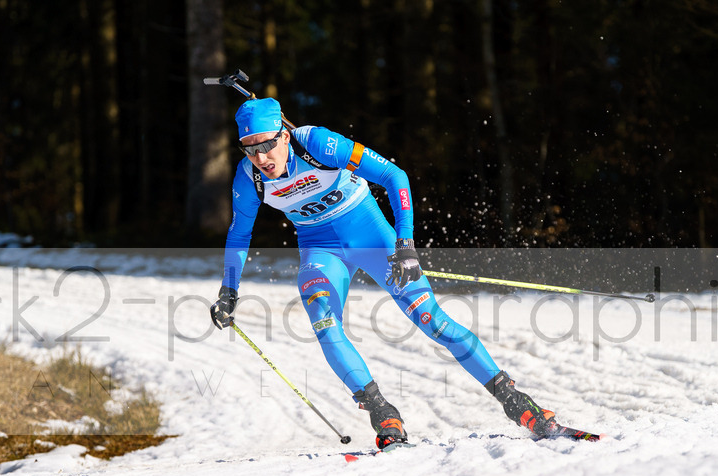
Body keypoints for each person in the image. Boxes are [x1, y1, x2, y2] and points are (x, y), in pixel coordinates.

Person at [210, 98, 599, 448]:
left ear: (283, 133)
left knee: (431, 320)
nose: (261, 157)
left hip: (370, 234)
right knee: (325, 324)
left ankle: (518, 403)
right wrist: (229, 291)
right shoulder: (250, 177)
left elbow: (395, 176)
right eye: (250, 148)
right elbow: (239, 233)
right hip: (319, 249)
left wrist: (405, 244)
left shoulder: (316, 143)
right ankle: (383, 414)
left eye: (266, 144)